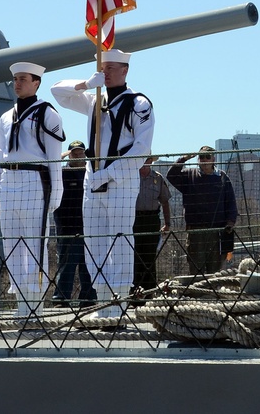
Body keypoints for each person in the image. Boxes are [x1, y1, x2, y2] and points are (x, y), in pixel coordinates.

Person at [50, 49, 155, 320]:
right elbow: (57, 91)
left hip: (120, 181)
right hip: (92, 182)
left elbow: (141, 149)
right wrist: (86, 84)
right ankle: (102, 301)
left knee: (120, 241)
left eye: (110, 67)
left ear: (125, 70)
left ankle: (118, 303)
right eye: (102, 67)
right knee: (94, 243)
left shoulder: (139, 103)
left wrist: (108, 173)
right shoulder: (94, 99)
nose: (105, 72)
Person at [0, 62, 65, 320]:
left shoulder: (48, 114)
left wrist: (56, 193)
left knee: (34, 245)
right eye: (15, 79)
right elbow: (0, 156)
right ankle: (21, 305)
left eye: (23, 78)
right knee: (12, 246)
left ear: (36, 82)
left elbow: (54, 158)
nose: (17, 83)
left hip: (34, 180)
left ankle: (34, 306)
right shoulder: (6, 117)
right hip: (9, 180)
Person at [166, 146, 238, 277]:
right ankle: (197, 295)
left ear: (213, 159)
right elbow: (171, 175)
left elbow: (231, 203)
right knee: (195, 268)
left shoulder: (222, 177)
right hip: (195, 231)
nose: (204, 160)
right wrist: (183, 159)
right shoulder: (189, 175)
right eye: (201, 157)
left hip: (217, 231)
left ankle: (213, 296)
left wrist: (230, 222)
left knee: (215, 269)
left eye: (207, 157)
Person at [52, 140, 98, 306]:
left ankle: (88, 297)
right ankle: (61, 298)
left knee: (88, 263)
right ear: (69, 154)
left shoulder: (92, 171)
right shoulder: (61, 173)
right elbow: (49, 166)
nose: (78, 156)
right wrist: (61, 157)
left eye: (81, 153)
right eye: (74, 153)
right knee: (67, 263)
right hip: (67, 225)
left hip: (89, 224)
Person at [132, 157, 171, 293]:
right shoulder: (131, 176)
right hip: (133, 219)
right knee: (134, 256)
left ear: (151, 161)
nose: (145, 162)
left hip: (152, 219)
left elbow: (165, 201)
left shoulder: (157, 178)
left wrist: (168, 223)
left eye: (148, 159)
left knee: (149, 256)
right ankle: (134, 291)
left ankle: (149, 292)